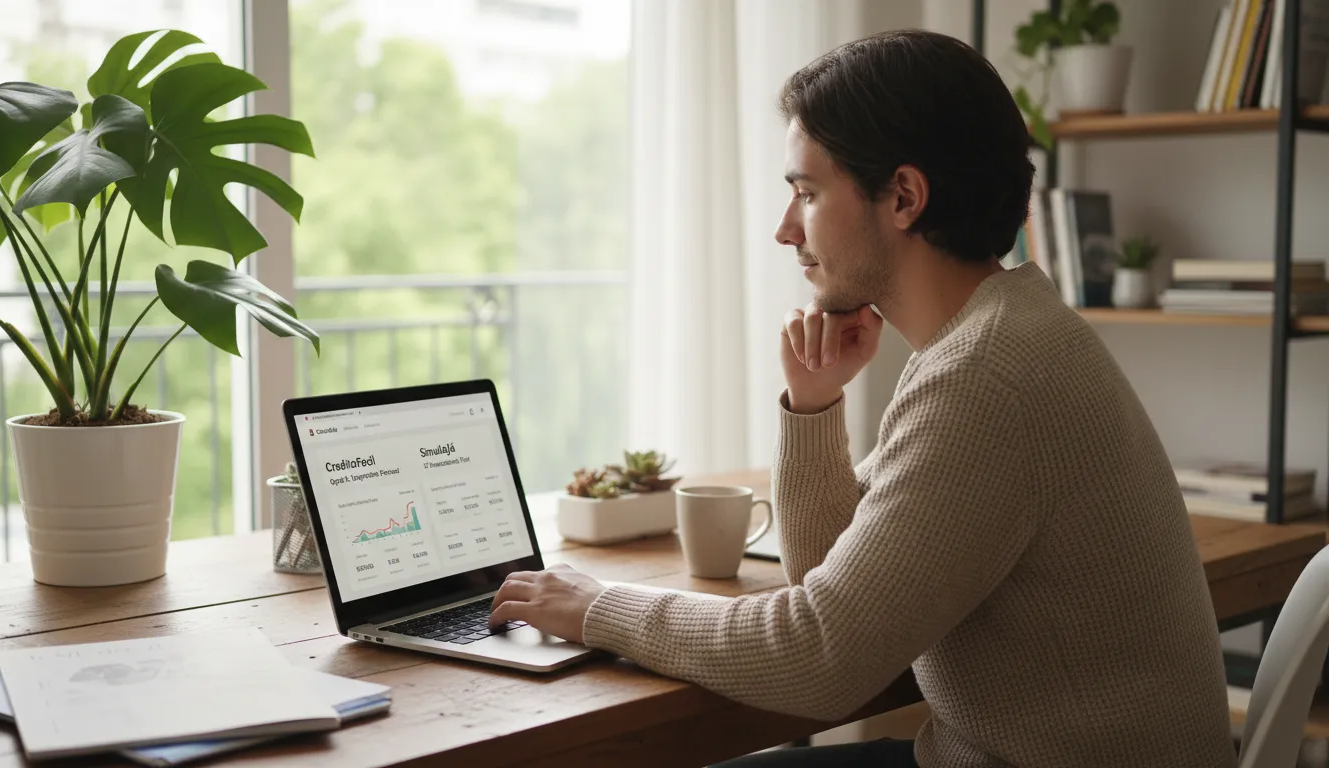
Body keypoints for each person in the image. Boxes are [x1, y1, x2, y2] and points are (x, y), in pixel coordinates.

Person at [488, 29, 1237, 768]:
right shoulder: (994, 334)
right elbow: (836, 591)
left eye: (807, 194)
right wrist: (813, 408)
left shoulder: (986, 376)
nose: (786, 230)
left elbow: (819, 658)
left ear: (904, 197)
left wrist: (597, 608)